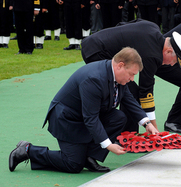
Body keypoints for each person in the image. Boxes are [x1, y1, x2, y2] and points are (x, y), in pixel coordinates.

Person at [9, 47, 159, 173]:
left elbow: (128, 99)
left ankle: (89, 157)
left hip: (84, 116)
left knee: (118, 117)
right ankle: (28, 150)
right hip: (67, 119)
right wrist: (108, 144)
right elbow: (91, 118)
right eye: (132, 74)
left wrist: (147, 123)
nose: (132, 79)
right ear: (120, 65)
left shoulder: (117, 76)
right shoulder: (94, 79)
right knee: (73, 164)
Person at [81, 19, 181, 134]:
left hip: (98, 42)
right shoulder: (152, 55)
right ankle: (126, 135)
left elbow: (124, 23)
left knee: (129, 90)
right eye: (174, 61)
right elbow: (146, 92)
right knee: (130, 91)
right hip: (96, 51)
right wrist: (154, 128)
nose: (172, 65)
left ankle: (128, 132)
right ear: (168, 51)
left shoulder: (153, 27)